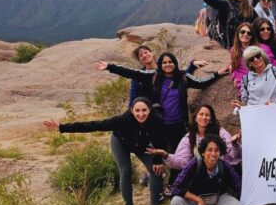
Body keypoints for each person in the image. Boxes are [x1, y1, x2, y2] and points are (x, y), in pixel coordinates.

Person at [43, 98, 169, 205]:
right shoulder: (121, 120)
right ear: (131, 110)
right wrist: (62, 127)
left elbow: (161, 141)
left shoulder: (156, 120)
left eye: (144, 110)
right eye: (137, 110)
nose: (141, 114)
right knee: (126, 171)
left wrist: (158, 160)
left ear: (149, 110)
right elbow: (94, 125)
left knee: (156, 170)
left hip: (142, 146)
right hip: (121, 142)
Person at [97, 52, 227, 149]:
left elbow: (201, 83)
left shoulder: (183, 77)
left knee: (179, 151)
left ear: (175, 63)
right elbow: (132, 73)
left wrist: (217, 74)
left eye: (170, 62)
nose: (167, 65)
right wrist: (110, 67)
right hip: (159, 123)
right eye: (164, 62)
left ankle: (177, 181)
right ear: (160, 65)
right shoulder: (154, 76)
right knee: (161, 151)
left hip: (178, 124)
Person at [229, 21, 276, 90]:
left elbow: (274, 63)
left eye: (249, 33)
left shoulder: (263, 48)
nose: (245, 34)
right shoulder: (234, 50)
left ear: (252, 36)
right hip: (244, 85)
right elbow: (234, 66)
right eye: (242, 32)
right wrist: (235, 78)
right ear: (238, 33)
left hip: (262, 81)